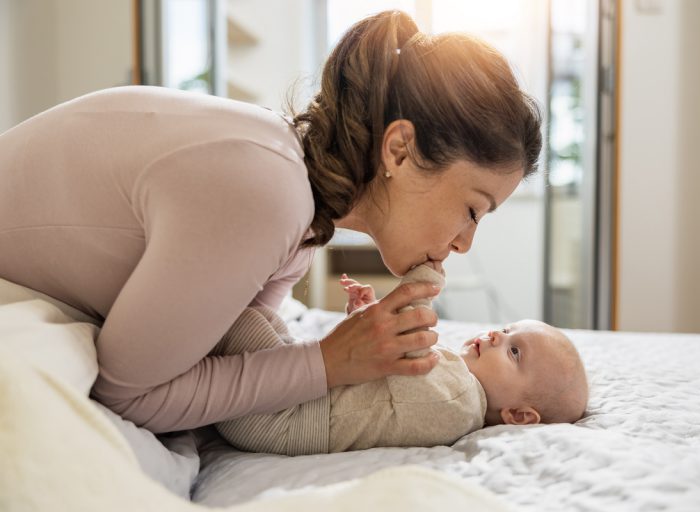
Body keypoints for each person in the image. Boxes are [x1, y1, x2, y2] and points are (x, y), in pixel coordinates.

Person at [0, 10, 542, 433]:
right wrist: (330, 361)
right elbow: (128, 392)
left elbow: (232, 354)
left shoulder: (303, 217)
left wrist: (345, 362)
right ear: (399, 150)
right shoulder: (266, 192)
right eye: (473, 209)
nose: (467, 242)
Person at [211, 264, 589, 455]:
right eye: (505, 329)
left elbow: (409, 352)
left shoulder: (458, 402)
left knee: (243, 318)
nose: (495, 335)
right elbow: (379, 374)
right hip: (292, 401)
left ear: (519, 416)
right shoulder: (457, 383)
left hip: (282, 418)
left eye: (514, 351)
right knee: (266, 319)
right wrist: (365, 316)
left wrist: (422, 279)